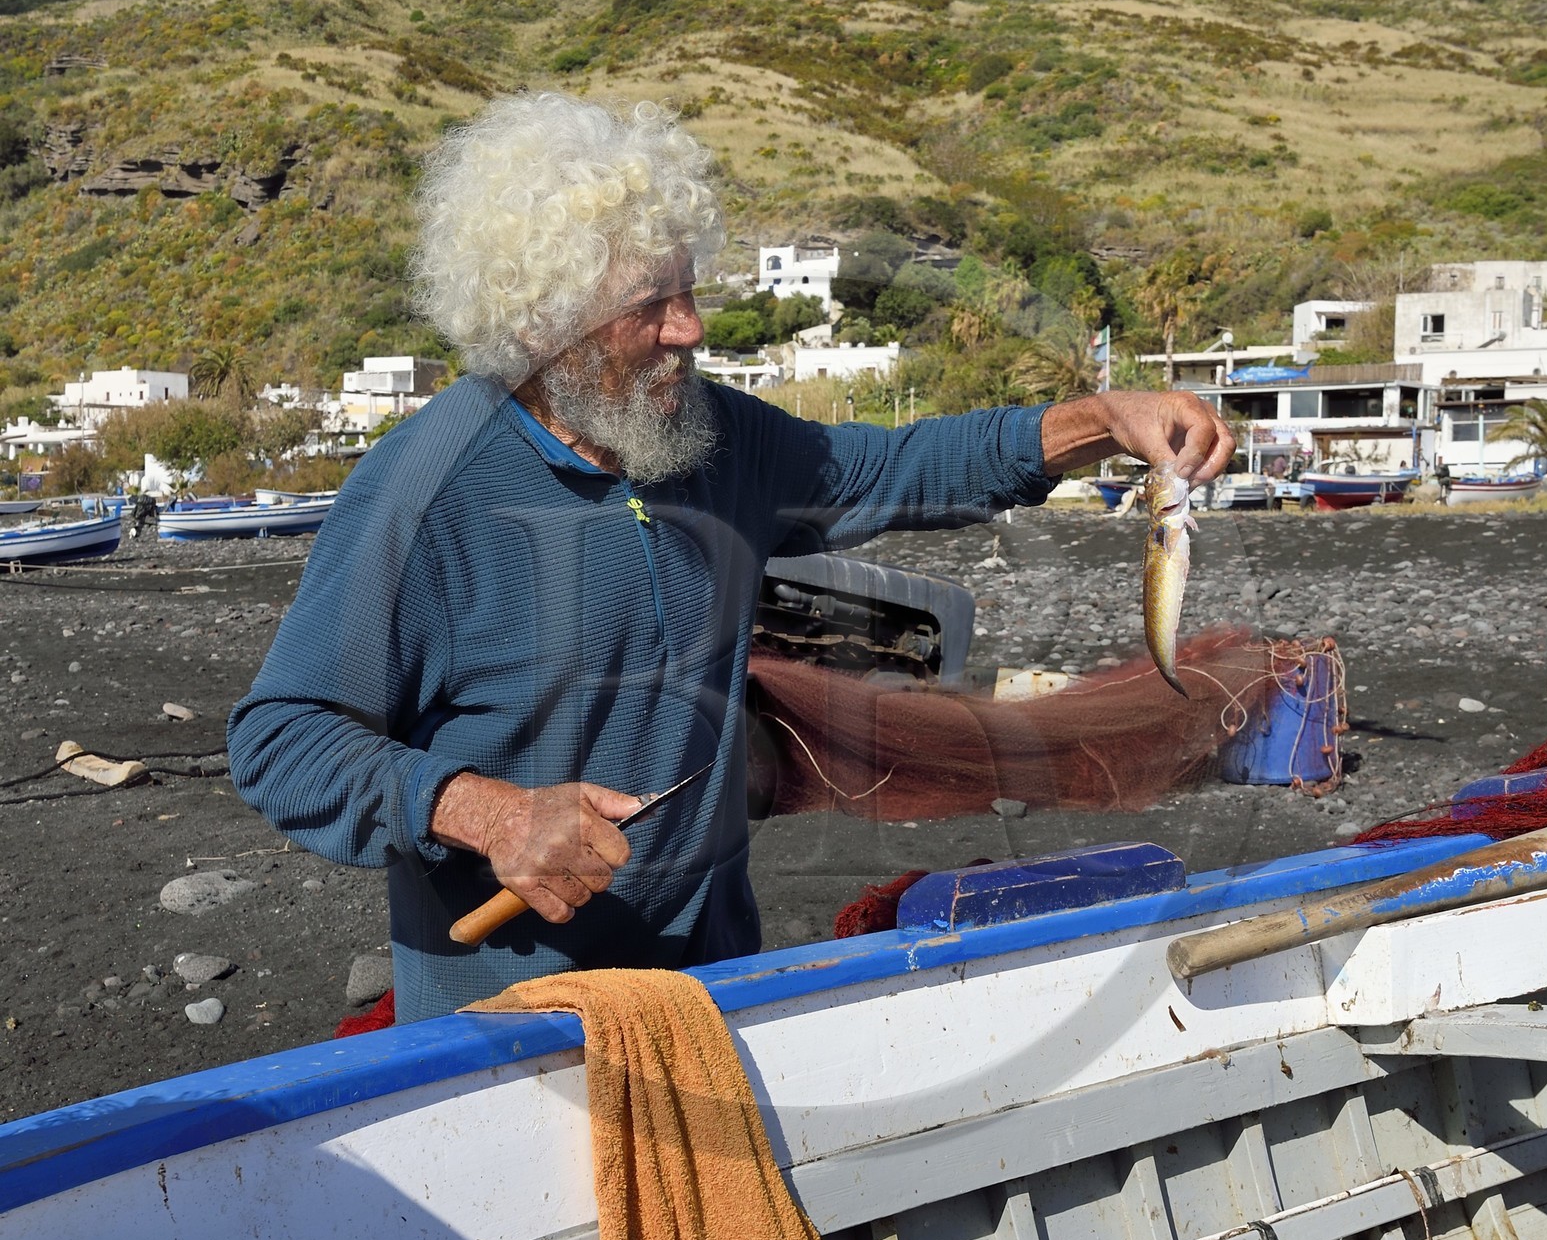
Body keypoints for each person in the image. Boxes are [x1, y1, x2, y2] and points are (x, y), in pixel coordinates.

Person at [229, 93, 1234, 1020]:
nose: (690, 327)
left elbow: (897, 465)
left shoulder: (709, 437)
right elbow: (283, 739)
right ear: (541, 322)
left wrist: (1099, 420)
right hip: (512, 1033)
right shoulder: (425, 492)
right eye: (648, 306)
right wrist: (485, 813)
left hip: (714, 993)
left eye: (688, 290)